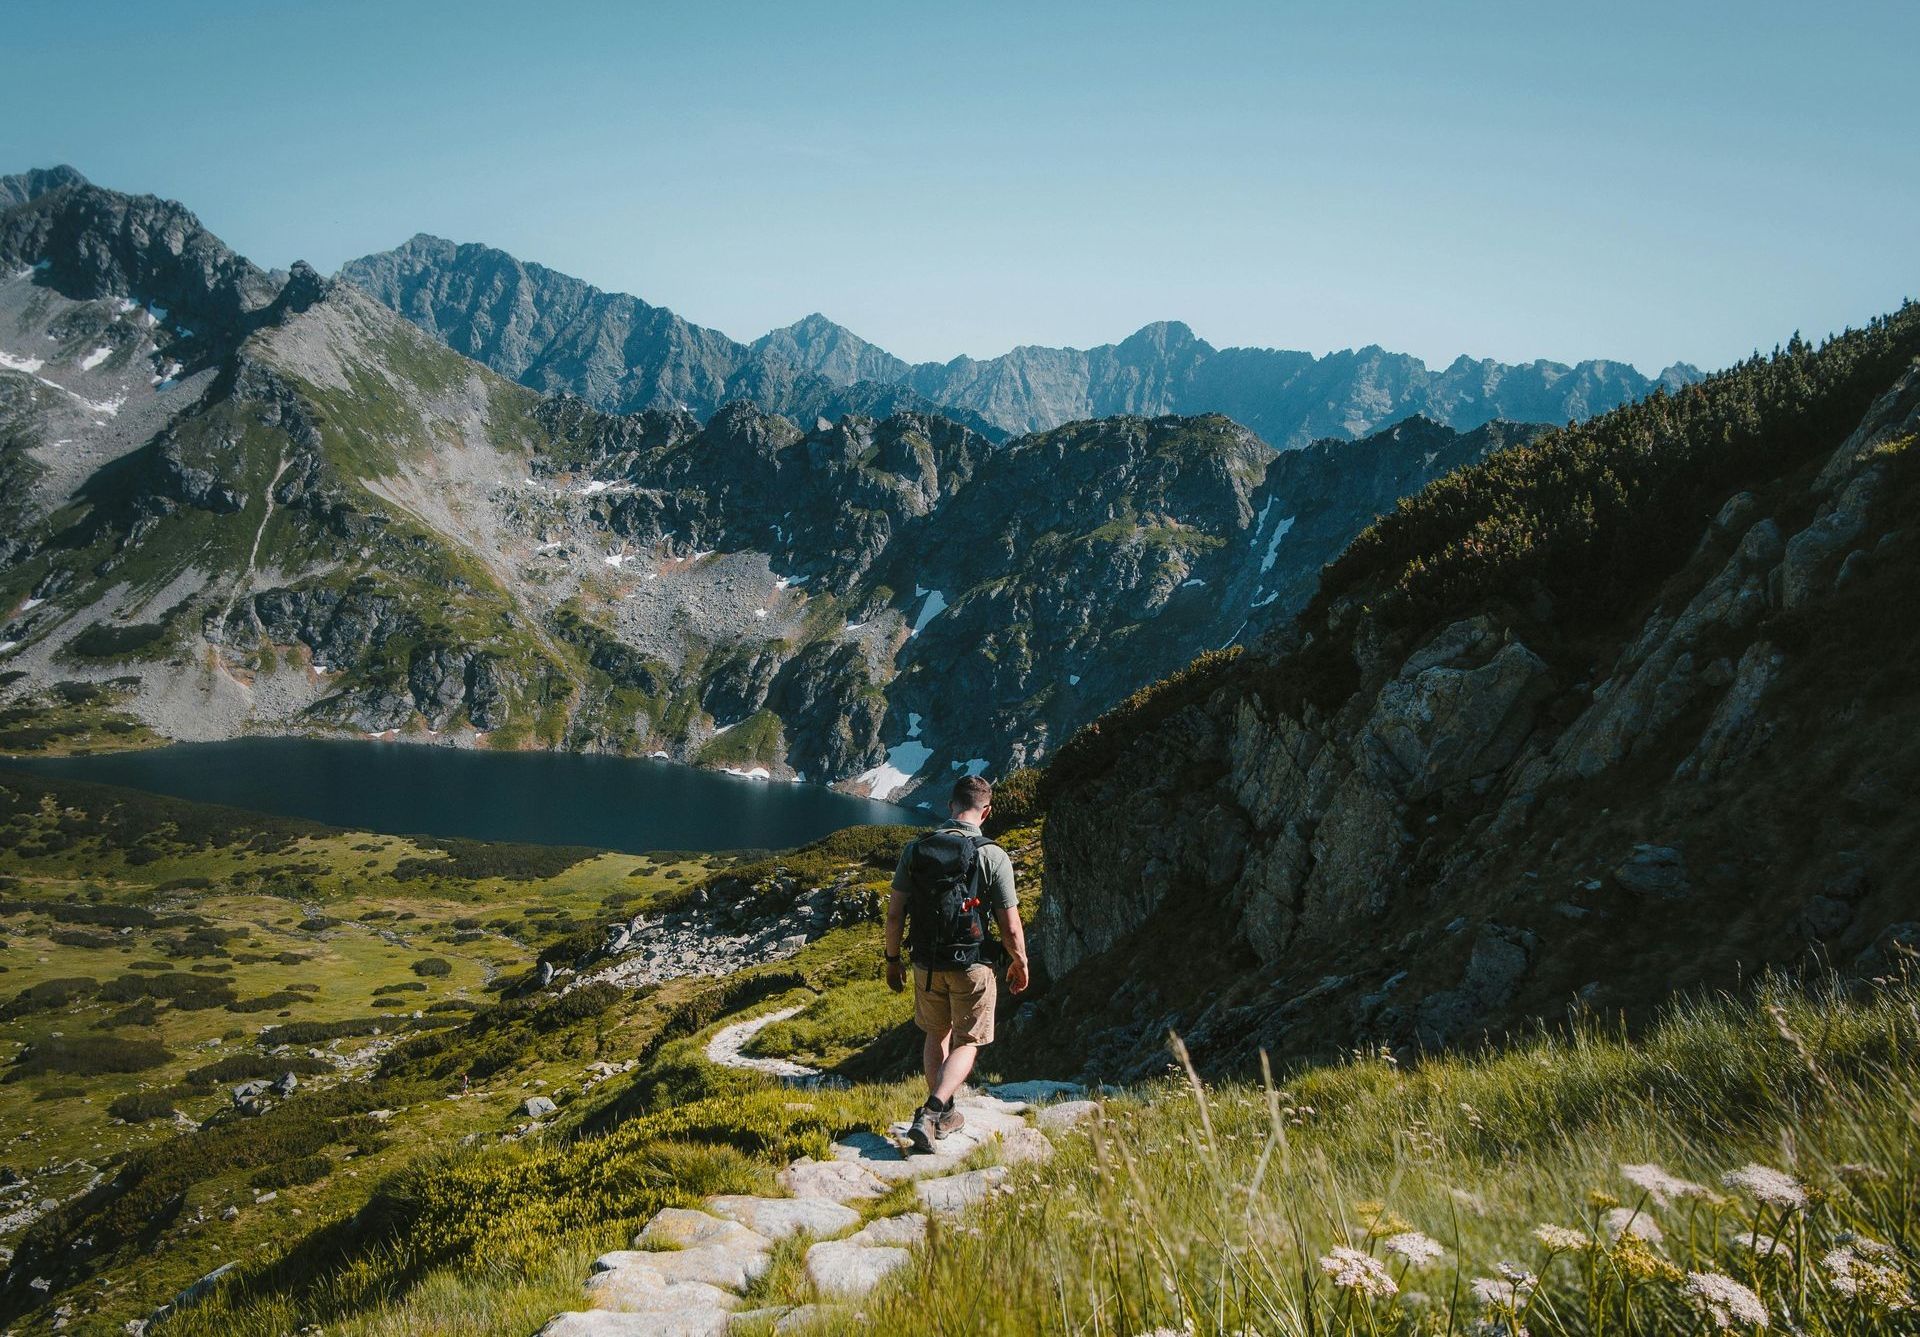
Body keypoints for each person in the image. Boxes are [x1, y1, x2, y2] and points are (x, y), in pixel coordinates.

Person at [884, 774, 1029, 1154]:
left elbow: (895, 915)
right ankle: (933, 1111)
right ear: (987, 811)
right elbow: (1010, 925)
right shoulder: (993, 855)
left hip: (926, 963)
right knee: (969, 1040)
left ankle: (945, 1114)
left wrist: (892, 960)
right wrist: (1020, 962)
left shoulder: (915, 850)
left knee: (936, 1033)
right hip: (973, 963)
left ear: (950, 806)